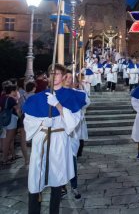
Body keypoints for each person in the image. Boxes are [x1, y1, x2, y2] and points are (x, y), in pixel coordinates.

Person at [23, 64, 86, 214]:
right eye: (51, 73)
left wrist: (58, 105)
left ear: (64, 77)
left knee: (56, 179)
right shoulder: (37, 98)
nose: (54, 76)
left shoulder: (72, 96)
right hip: (41, 139)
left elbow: (74, 122)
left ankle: (54, 211)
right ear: (47, 76)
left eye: (57, 74)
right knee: (36, 179)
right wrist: (42, 122)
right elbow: (28, 122)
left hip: (59, 140)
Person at [61, 70, 90, 200]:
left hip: (72, 133)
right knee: (60, 161)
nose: (68, 79)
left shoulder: (80, 94)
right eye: (65, 77)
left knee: (72, 160)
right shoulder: (54, 94)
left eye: (70, 77)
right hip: (59, 133)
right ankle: (61, 186)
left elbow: (85, 105)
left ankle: (74, 186)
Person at [0, 84, 20, 165]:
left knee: (6, 138)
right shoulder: (12, 99)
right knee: (8, 140)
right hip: (11, 119)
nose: (16, 92)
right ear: (12, 91)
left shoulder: (2, 98)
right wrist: (20, 117)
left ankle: (12, 155)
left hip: (3, 119)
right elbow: (17, 110)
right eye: (15, 90)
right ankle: (4, 159)